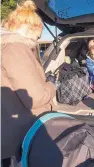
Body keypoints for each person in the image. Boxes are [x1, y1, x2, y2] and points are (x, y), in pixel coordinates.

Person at [1, 0, 56, 162]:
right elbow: (35, 98)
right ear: (27, 28)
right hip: (21, 136)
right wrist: (52, 84)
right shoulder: (16, 49)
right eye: (37, 36)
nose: (37, 41)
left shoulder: (4, 46)